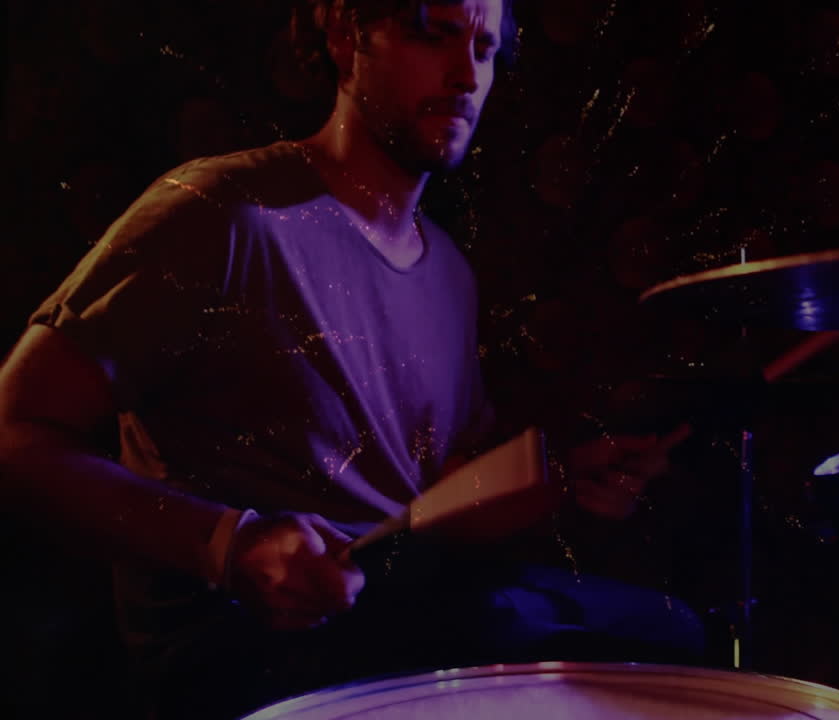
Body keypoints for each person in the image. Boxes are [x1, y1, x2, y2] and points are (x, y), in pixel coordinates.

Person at [0, 0, 702, 717]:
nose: (466, 75)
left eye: (486, 49)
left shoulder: (449, 271)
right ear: (344, 33)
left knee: (673, 634)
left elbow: (431, 494)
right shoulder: (220, 212)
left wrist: (560, 482)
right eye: (435, 34)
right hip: (243, 646)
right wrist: (229, 545)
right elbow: (14, 433)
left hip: (399, 603)